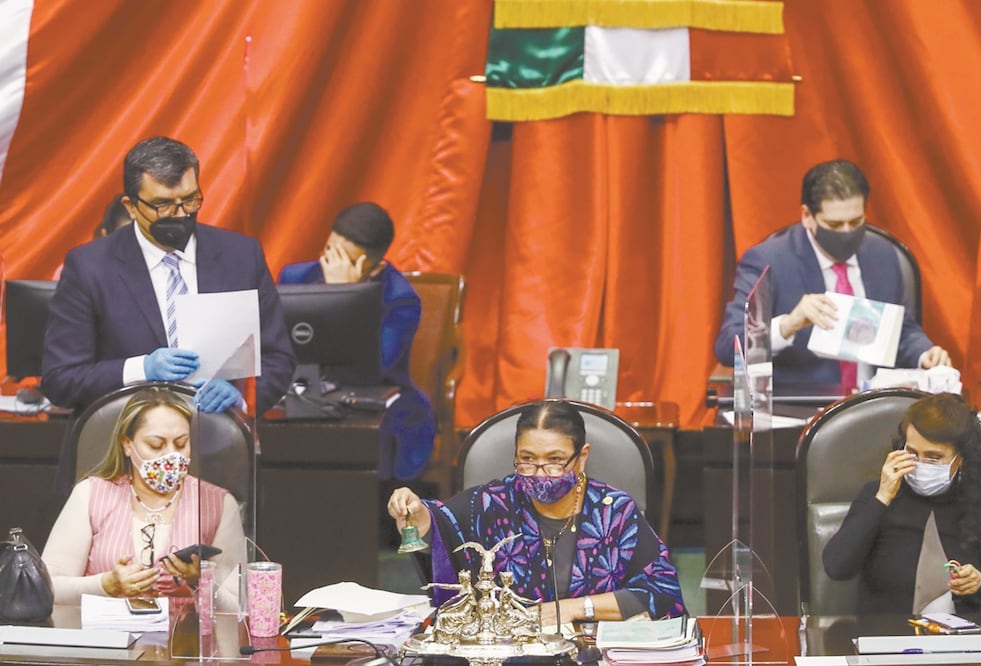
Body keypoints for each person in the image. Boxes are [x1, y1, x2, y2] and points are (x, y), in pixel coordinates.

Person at [41, 136, 296, 416]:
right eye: (162, 205)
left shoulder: (242, 256)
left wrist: (243, 396)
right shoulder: (89, 267)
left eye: (189, 200)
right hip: (120, 443)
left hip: (219, 439)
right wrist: (141, 369)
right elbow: (60, 380)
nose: (180, 214)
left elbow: (277, 357)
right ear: (131, 207)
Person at [387, 400, 685, 627]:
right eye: (527, 460)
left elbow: (661, 591)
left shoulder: (614, 513)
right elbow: (439, 526)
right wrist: (412, 513)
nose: (540, 473)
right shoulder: (492, 503)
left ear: (582, 457)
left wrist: (571, 609)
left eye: (555, 461)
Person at [715, 159, 951, 389]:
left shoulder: (883, 255)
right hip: (803, 409)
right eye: (835, 225)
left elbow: (901, 329)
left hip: (873, 403)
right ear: (807, 216)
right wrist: (788, 324)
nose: (848, 233)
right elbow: (729, 346)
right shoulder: (769, 262)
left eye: (856, 222)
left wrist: (925, 354)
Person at [822, 393, 981, 614]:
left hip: (957, 641)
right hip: (884, 635)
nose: (920, 464)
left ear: (961, 458)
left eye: (933, 457)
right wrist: (882, 499)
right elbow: (837, 568)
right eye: (912, 453)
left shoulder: (979, 504)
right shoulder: (877, 495)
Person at [41, 387, 245, 606]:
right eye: (156, 445)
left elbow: (239, 606)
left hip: (185, 638)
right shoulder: (90, 494)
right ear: (127, 444)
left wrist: (200, 582)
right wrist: (106, 585)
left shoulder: (218, 503)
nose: (171, 456)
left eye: (181, 443)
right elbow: (47, 587)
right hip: (106, 637)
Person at [278, 202, 435, 480]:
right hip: (307, 389)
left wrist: (343, 294)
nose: (330, 265)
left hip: (376, 396)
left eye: (344, 259)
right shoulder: (295, 277)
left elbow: (373, 366)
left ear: (376, 267)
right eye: (329, 251)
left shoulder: (401, 299)